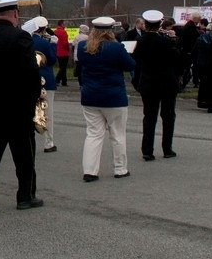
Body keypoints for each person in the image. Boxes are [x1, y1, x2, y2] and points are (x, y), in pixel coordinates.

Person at [0, 0, 43, 214]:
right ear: (15, 13)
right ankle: (25, 196)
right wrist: (35, 96)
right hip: (17, 106)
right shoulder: (20, 36)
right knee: (23, 153)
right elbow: (31, 71)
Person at [79, 16, 135, 181]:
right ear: (110, 31)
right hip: (114, 97)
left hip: (90, 96)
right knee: (117, 134)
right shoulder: (116, 48)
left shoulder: (83, 47)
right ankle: (120, 168)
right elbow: (130, 65)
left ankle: (90, 171)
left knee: (93, 134)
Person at [133, 10, 178, 161]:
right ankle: (167, 148)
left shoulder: (139, 41)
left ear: (145, 24)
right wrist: (173, 40)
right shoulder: (166, 41)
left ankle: (147, 150)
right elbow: (177, 59)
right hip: (167, 82)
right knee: (168, 115)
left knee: (149, 117)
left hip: (148, 82)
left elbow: (136, 62)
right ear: (159, 24)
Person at [27, 17, 58, 153]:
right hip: (45, 79)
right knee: (47, 111)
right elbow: (51, 60)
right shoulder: (45, 43)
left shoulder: (27, 41)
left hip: (29, 79)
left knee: (28, 110)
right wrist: (53, 45)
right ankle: (48, 142)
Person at [52, 19, 71, 87]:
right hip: (64, 52)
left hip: (57, 51)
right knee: (63, 67)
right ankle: (57, 79)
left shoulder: (55, 31)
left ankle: (64, 81)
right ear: (62, 24)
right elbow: (65, 43)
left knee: (61, 66)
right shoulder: (64, 32)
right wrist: (68, 48)